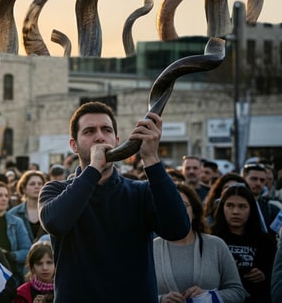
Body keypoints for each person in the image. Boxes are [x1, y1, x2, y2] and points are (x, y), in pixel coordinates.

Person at [39, 101, 190, 302]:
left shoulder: (140, 192)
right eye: (89, 131)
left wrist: (152, 159)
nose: (99, 137)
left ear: (117, 140)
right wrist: (93, 169)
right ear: (73, 145)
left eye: (106, 130)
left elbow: (178, 229)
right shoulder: (55, 190)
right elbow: (56, 223)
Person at [153, 183, 247, 303]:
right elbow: (136, 294)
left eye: (184, 205)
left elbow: (238, 292)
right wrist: (161, 299)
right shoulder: (150, 249)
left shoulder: (216, 245)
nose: (177, 210)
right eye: (170, 205)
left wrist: (210, 297)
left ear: (195, 212)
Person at [211, 184, 275, 303]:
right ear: (222, 207)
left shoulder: (266, 242)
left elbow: (275, 274)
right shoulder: (210, 239)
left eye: (242, 207)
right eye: (230, 206)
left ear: (251, 209)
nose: (235, 212)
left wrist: (264, 274)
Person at [0, 180, 30, 277]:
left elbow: (27, 250)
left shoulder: (16, 222)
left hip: (8, 273)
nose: (4, 199)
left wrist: (11, 256)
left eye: (6, 195)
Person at [8, 171, 48, 243]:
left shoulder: (50, 211)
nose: (37, 186)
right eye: (32, 184)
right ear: (24, 189)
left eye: (40, 184)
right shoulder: (13, 214)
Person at [242, 162, 281, 233]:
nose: (258, 183)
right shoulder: (233, 205)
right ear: (244, 179)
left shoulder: (272, 209)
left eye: (262, 180)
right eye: (254, 179)